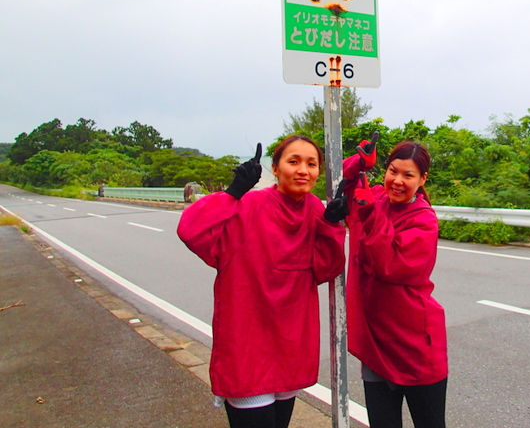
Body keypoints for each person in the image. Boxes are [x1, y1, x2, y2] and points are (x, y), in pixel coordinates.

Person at [177, 136, 345, 428]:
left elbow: (326, 269)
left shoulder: (316, 211)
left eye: (311, 164)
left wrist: (331, 226)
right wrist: (232, 193)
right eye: (293, 161)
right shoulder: (246, 205)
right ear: (276, 169)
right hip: (247, 348)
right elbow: (191, 231)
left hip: (291, 346)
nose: (303, 170)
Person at [339, 139, 448, 428]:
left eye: (408, 175)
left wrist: (370, 214)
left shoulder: (423, 220)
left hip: (415, 346)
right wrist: (360, 163)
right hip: (376, 342)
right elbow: (344, 185)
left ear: (422, 179)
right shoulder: (375, 198)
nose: (398, 181)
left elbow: (390, 265)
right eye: (392, 171)